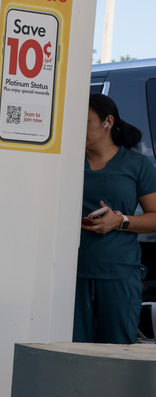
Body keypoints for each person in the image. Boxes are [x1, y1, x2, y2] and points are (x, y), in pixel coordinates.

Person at [76, 93, 156, 344]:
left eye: (84, 120)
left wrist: (119, 221)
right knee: (70, 353)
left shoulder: (137, 165)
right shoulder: (65, 162)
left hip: (118, 274)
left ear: (107, 122)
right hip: (70, 275)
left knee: (117, 353)